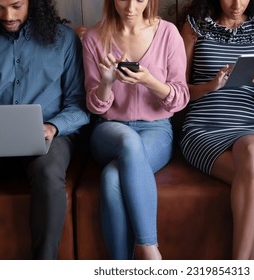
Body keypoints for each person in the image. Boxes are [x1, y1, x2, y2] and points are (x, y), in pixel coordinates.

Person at [0, 0, 90, 259]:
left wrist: (53, 127)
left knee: (48, 169)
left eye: (16, 5)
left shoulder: (64, 41)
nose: (7, 15)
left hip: (48, 139)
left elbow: (79, 106)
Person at [82, 0, 190, 260]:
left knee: (111, 178)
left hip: (156, 130)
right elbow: (95, 106)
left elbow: (181, 97)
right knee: (128, 140)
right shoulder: (94, 38)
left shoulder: (168, 33)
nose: (131, 6)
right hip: (110, 130)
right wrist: (106, 82)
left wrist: (149, 80)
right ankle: (149, 248)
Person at [179, 0, 254, 259]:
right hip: (202, 127)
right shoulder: (194, 27)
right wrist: (211, 86)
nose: (237, 4)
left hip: (246, 123)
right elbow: (176, 90)